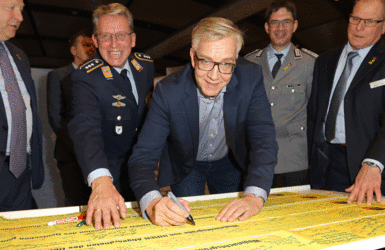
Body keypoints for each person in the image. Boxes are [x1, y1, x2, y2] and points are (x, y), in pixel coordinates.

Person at [128, 17, 278, 226]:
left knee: (234, 221)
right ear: (192, 56)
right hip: (187, 163)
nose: (214, 76)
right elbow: (143, 156)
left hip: (229, 161)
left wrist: (254, 197)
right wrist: (153, 203)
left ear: (235, 59)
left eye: (226, 63)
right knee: (185, 223)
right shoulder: (168, 91)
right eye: (206, 61)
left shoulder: (250, 77)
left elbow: (264, 139)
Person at [68, 3, 154, 229]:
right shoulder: (85, 78)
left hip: (141, 165)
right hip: (107, 168)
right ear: (95, 41)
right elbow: (85, 129)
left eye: (121, 35)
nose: (114, 44)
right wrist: (100, 181)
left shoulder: (145, 66)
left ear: (133, 39)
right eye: (106, 36)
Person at [308, 0, 385, 206]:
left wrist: (374, 163)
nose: (359, 27)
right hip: (327, 165)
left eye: (369, 21)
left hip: (370, 168)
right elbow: (315, 115)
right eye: (355, 19)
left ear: (383, 26)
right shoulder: (324, 60)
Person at [246, 0, 316, 188]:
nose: (280, 28)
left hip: (296, 155)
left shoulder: (310, 63)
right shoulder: (250, 63)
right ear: (267, 27)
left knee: (297, 209)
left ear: (295, 25)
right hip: (259, 152)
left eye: (286, 21)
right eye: (275, 22)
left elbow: (315, 110)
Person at [0, 0, 44, 211]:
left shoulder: (19, 56)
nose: (20, 17)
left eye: (21, 10)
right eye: (11, 8)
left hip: (20, 170)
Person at [47, 29, 96, 206]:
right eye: (86, 45)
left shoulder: (101, 75)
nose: (91, 48)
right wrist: (82, 147)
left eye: (92, 45)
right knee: (76, 203)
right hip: (71, 155)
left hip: (99, 156)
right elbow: (55, 118)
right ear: (74, 51)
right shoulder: (58, 76)